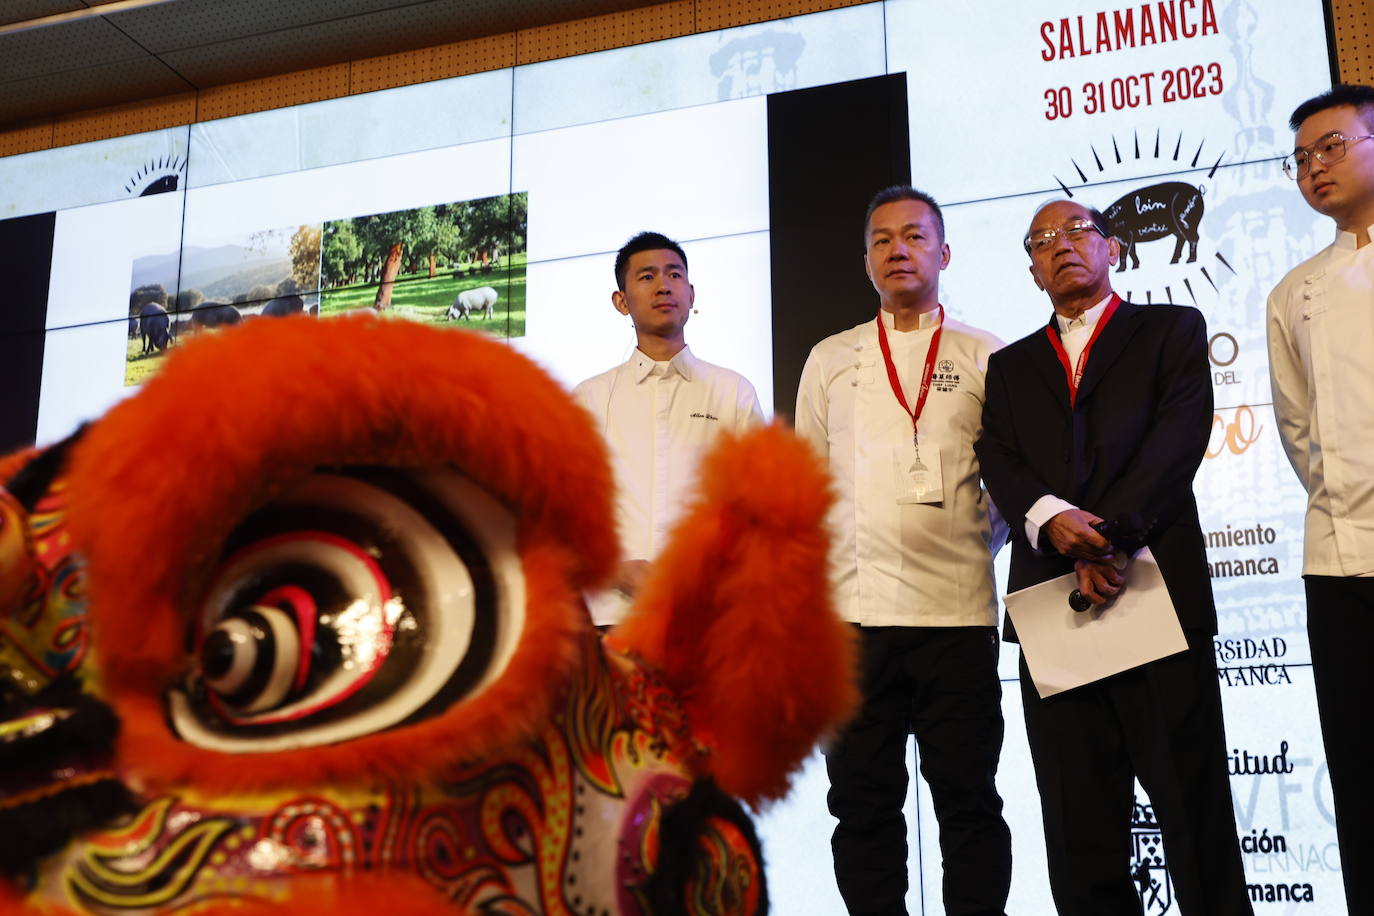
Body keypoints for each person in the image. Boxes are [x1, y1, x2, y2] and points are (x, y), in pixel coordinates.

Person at [975, 199, 1252, 915]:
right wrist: (1052, 521)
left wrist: (1113, 535)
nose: (1061, 246)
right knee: (1079, 830)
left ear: (1114, 249)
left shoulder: (1170, 330)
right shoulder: (1007, 367)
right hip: (1052, 606)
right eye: (1041, 241)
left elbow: (1178, 437)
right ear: (1032, 270)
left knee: (1193, 813)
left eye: (1077, 232)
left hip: (1155, 591)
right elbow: (999, 460)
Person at [794, 186, 1011, 916]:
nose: (898, 250)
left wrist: (971, 537)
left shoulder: (988, 355)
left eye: (914, 236)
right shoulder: (831, 358)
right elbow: (810, 486)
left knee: (969, 802)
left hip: (957, 613)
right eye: (882, 239)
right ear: (865, 261)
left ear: (943, 253)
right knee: (861, 806)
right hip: (854, 619)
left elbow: (1012, 482)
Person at [1268, 83, 1374, 914]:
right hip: (1339, 561)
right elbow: (1300, 430)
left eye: (1332, 148)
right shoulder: (1292, 292)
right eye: (1301, 159)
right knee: (1362, 770)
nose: (1314, 169)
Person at [572, 231, 763, 627]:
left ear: (691, 295)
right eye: (646, 277)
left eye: (674, 275)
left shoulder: (733, 391)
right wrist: (616, 570)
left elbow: (757, 508)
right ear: (620, 302)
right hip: (613, 613)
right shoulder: (590, 398)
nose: (663, 286)